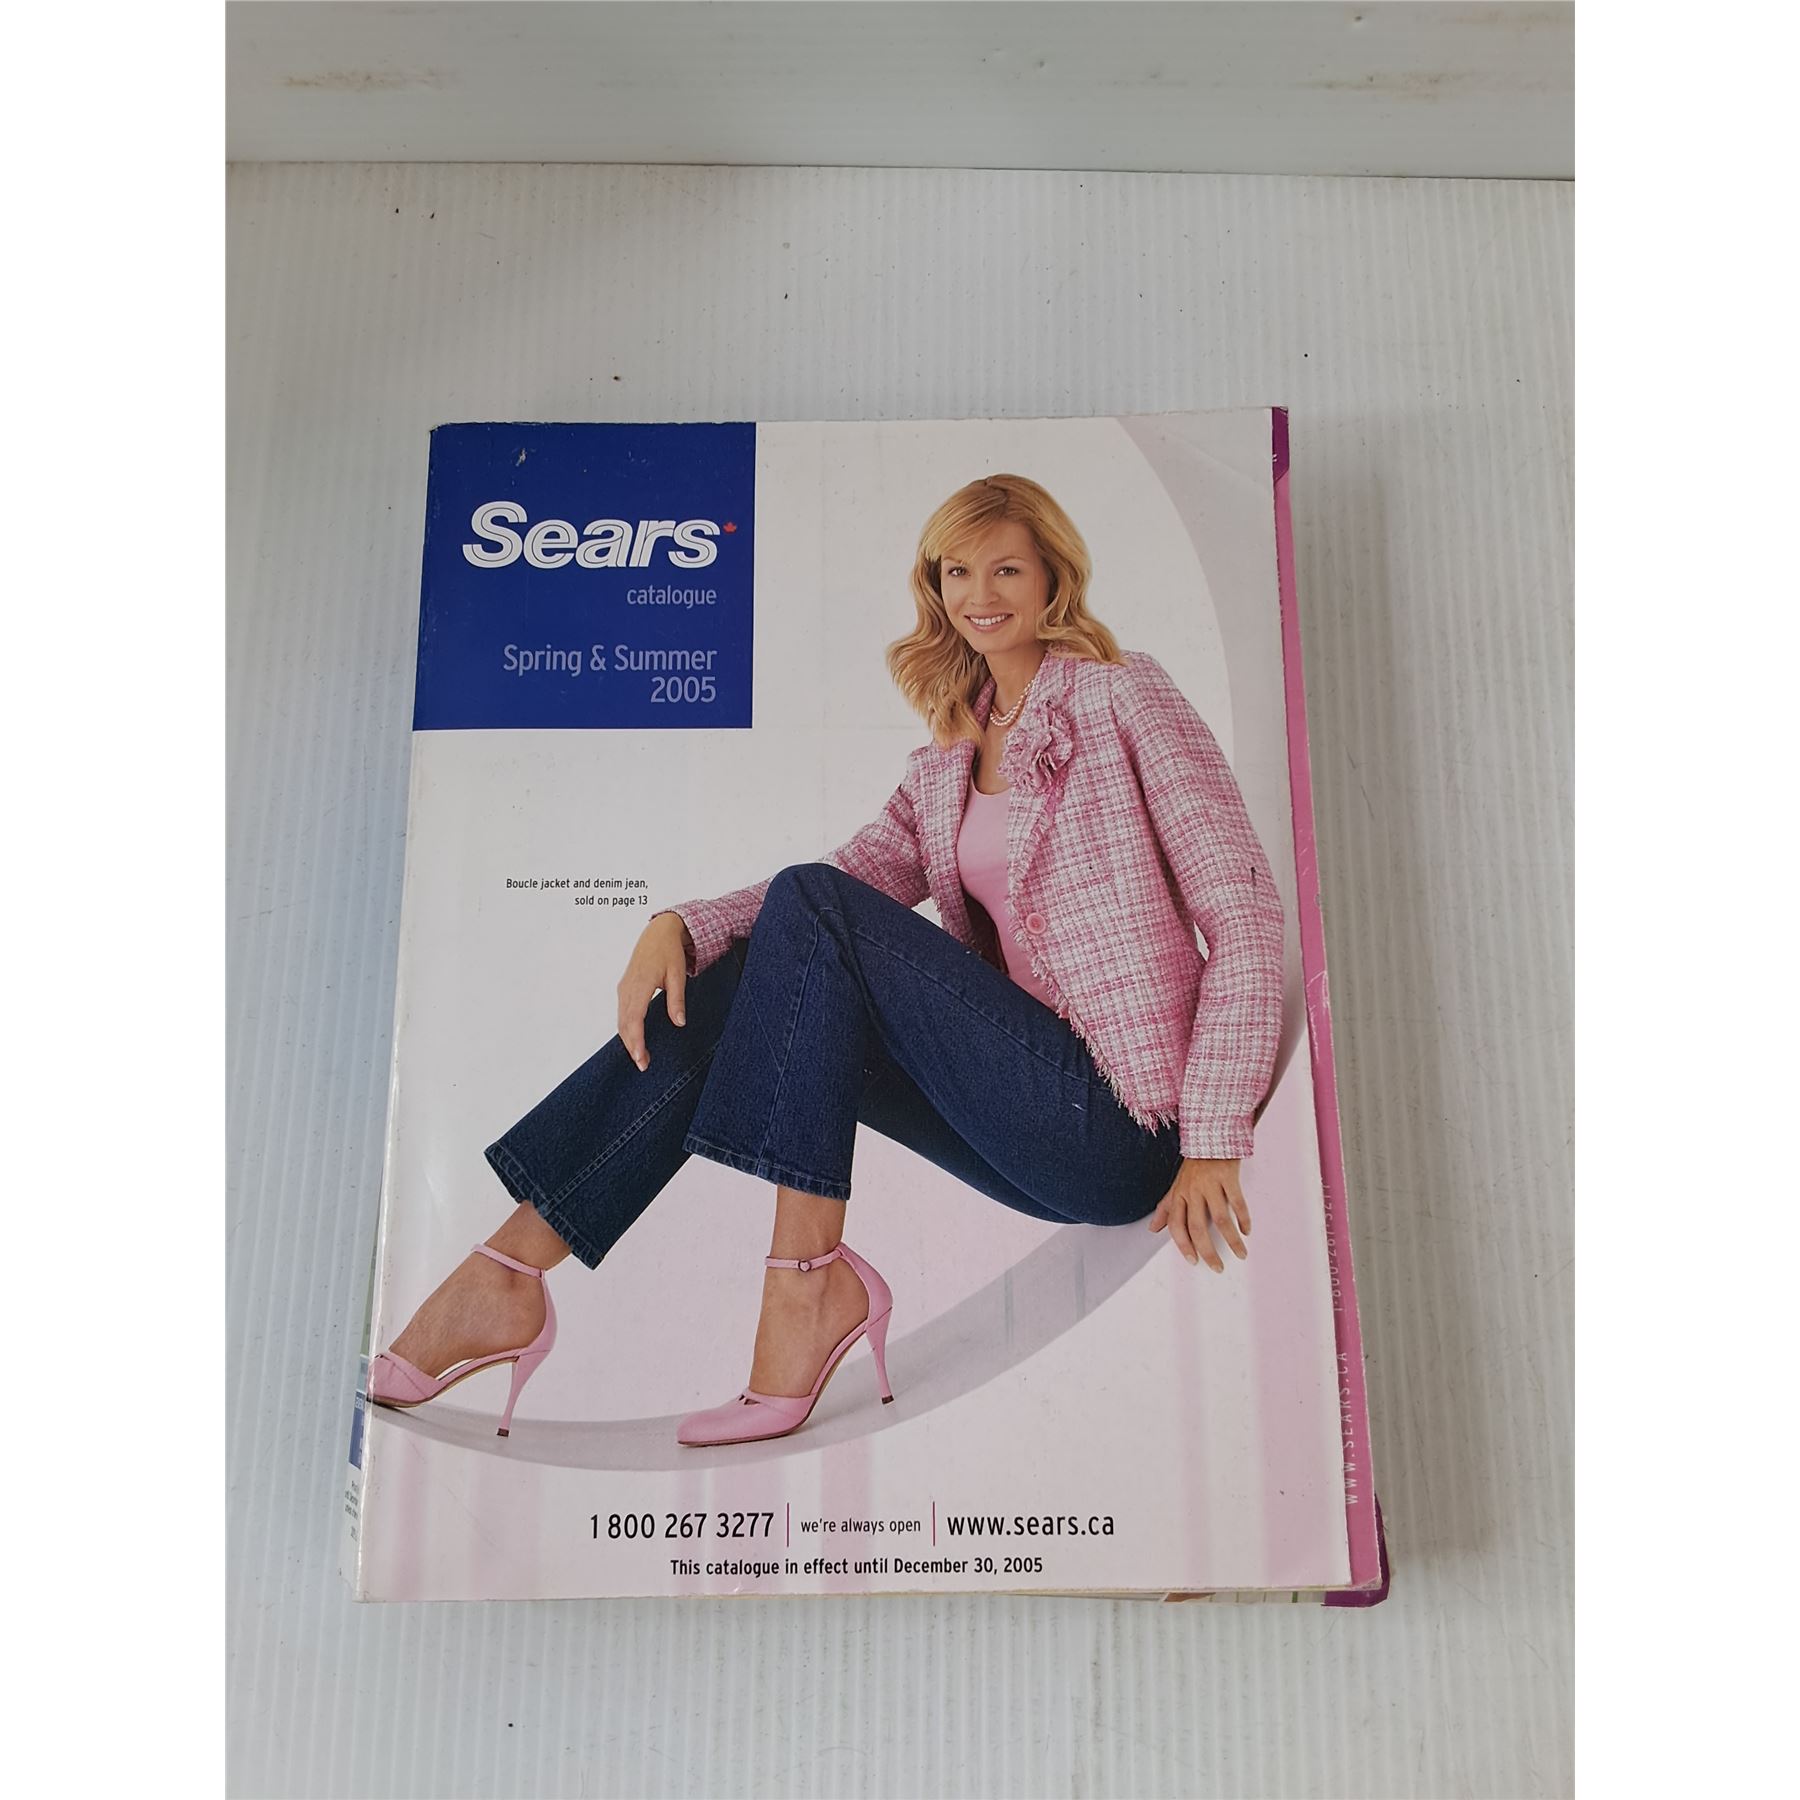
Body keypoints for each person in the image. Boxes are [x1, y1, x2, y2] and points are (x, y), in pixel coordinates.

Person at [368, 473, 1288, 1446]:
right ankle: (510, 1271)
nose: (980, 595)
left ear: (1055, 575)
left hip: (1121, 1126)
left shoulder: (1121, 694)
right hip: (1021, 1127)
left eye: (1008, 569)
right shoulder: (949, 756)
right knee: (748, 972)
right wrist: (680, 924)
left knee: (810, 912)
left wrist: (1211, 1137)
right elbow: (850, 879)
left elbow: (1244, 911)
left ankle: (805, 1289)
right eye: (958, 572)